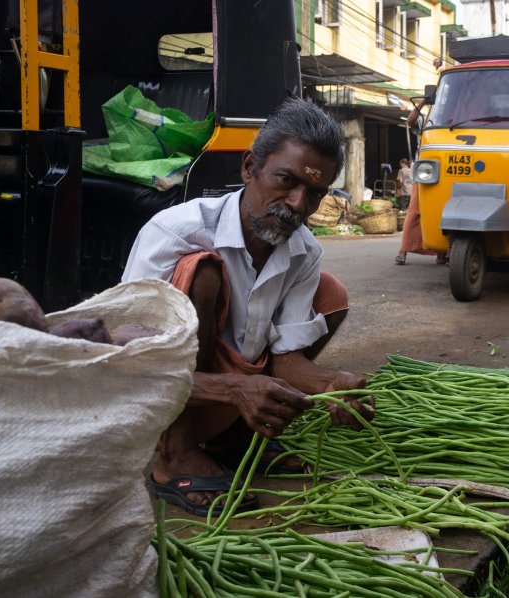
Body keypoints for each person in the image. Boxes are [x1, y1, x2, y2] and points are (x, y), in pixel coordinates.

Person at [122, 97, 372, 516]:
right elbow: (132, 367)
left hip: (228, 387)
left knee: (331, 294)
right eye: (285, 181)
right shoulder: (175, 232)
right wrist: (236, 388)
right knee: (203, 272)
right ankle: (175, 454)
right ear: (249, 167)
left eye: (314, 192)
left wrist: (331, 384)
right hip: (161, 396)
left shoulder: (303, 251)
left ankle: (233, 438)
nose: (297, 204)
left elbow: (287, 360)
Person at [394, 101, 447, 266]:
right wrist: (423, 101)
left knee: (442, 212)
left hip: (444, 172)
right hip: (424, 171)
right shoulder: (427, 119)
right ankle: (403, 251)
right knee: (414, 210)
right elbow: (410, 121)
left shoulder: (454, 119)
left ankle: (441, 253)